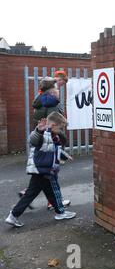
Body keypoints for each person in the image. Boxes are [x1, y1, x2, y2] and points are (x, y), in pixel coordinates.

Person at [5, 112, 77, 227]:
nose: (62, 130)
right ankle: (60, 213)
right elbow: (33, 140)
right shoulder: (43, 134)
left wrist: (65, 155)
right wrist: (38, 130)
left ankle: (13, 216)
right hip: (45, 170)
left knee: (38, 194)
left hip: (41, 170)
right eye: (61, 127)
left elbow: (54, 150)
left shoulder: (54, 136)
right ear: (53, 125)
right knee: (54, 192)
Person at [18, 78, 71, 210]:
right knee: (49, 174)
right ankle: (52, 202)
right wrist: (63, 137)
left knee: (45, 176)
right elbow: (53, 125)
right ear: (51, 91)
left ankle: (48, 200)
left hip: (42, 140)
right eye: (56, 88)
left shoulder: (40, 100)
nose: (59, 90)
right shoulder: (51, 103)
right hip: (50, 142)